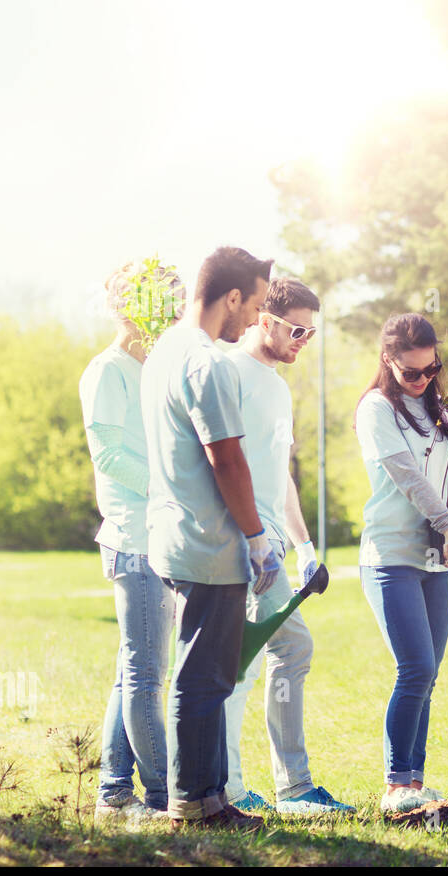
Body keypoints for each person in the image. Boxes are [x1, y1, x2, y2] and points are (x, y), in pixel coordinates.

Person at [142, 245, 278, 830]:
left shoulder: (165, 351)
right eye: (254, 305)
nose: (254, 320)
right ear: (230, 297)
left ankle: (212, 797)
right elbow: (227, 460)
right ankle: (192, 804)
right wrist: (255, 537)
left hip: (175, 536)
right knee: (203, 678)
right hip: (209, 543)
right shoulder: (208, 363)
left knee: (212, 675)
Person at [221, 277, 354, 815]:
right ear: (264, 319)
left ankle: (273, 786)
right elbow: (220, 463)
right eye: (297, 329)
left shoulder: (278, 386)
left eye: (311, 333)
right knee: (243, 664)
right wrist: (250, 539)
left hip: (274, 547)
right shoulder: (231, 372)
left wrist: (305, 547)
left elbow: (281, 476)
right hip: (243, 546)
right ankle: (244, 789)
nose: (303, 340)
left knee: (274, 653)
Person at [355, 313, 448, 813]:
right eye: (412, 372)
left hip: (434, 558)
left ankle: (415, 783)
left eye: (432, 369)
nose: (423, 379)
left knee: (430, 673)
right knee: (416, 667)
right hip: (391, 554)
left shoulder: (437, 410)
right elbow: (405, 474)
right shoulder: (376, 408)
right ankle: (395, 786)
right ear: (389, 361)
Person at [80, 261, 183, 822]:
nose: (171, 314)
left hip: (158, 536)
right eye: (163, 303)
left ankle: (115, 793)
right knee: (147, 674)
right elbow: (109, 456)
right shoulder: (107, 371)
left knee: (132, 668)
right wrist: (170, 488)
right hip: (135, 538)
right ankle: (162, 798)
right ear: (133, 308)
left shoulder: (152, 369)